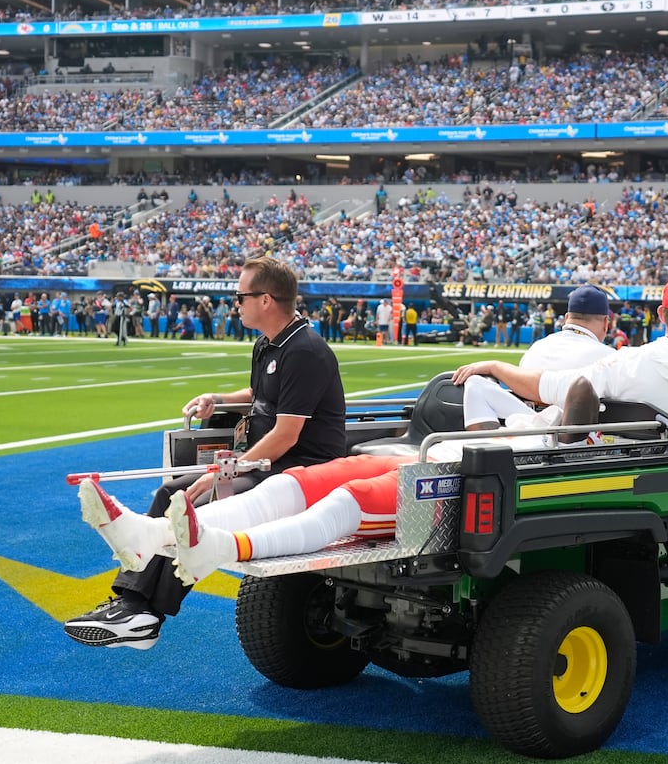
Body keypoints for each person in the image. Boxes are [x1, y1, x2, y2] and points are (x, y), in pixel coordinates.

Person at [454, 275, 668, 608]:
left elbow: (547, 386)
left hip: (654, 494)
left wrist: (497, 367)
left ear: (662, 314)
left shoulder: (626, 362)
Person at [65, 258, 348, 649]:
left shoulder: (305, 350)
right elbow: (261, 396)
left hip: (301, 469)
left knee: (191, 499)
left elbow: (285, 435)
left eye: (240, 296)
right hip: (267, 462)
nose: (236, 303)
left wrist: (218, 474)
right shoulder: (269, 343)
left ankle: (142, 613)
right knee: (172, 493)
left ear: (265, 300)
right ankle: (133, 606)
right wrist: (218, 399)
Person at [76, 381, 603, 586]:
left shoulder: (567, 440)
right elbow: (481, 392)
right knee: (300, 483)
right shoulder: (522, 416)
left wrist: (562, 421)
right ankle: (149, 536)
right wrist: (513, 390)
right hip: (423, 456)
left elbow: (581, 392)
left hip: (454, 475)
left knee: (348, 502)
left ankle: (216, 545)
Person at [462, 284, 618, 431]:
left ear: (566, 318)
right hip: (577, 446)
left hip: (525, 436)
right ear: (606, 323)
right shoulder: (611, 358)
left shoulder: (536, 348)